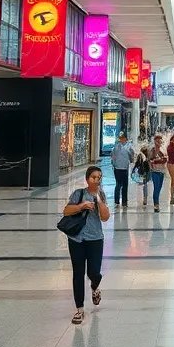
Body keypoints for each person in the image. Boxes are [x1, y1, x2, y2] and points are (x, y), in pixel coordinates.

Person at [61, 165, 111, 324]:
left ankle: (95, 287)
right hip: (76, 239)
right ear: (87, 179)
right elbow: (66, 211)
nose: (96, 180)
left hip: (95, 239)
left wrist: (97, 200)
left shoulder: (101, 195)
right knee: (78, 272)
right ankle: (79, 309)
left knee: (94, 272)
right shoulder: (78, 194)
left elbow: (105, 217)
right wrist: (81, 206)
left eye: (99, 177)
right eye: (93, 177)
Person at [109, 131, 133, 208]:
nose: (121, 139)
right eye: (120, 138)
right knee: (119, 184)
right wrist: (114, 164)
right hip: (118, 168)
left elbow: (131, 157)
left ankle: (124, 201)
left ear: (125, 139)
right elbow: (112, 157)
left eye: (122, 138)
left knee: (125, 185)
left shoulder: (129, 147)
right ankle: (117, 201)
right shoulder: (116, 147)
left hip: (124, 168)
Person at [147, 134, 168, 212]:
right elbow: (150, 160)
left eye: (160, 140)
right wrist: (156, 162)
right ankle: (156, 205)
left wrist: (156, 161)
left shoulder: (163, 149)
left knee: (159, 188)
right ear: (154, 141)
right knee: (156, 188)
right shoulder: (152, 150)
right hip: (154, 171)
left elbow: (165, 159)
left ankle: (156, 202)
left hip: (162, 171)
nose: (159, 142)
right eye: (157, 141)